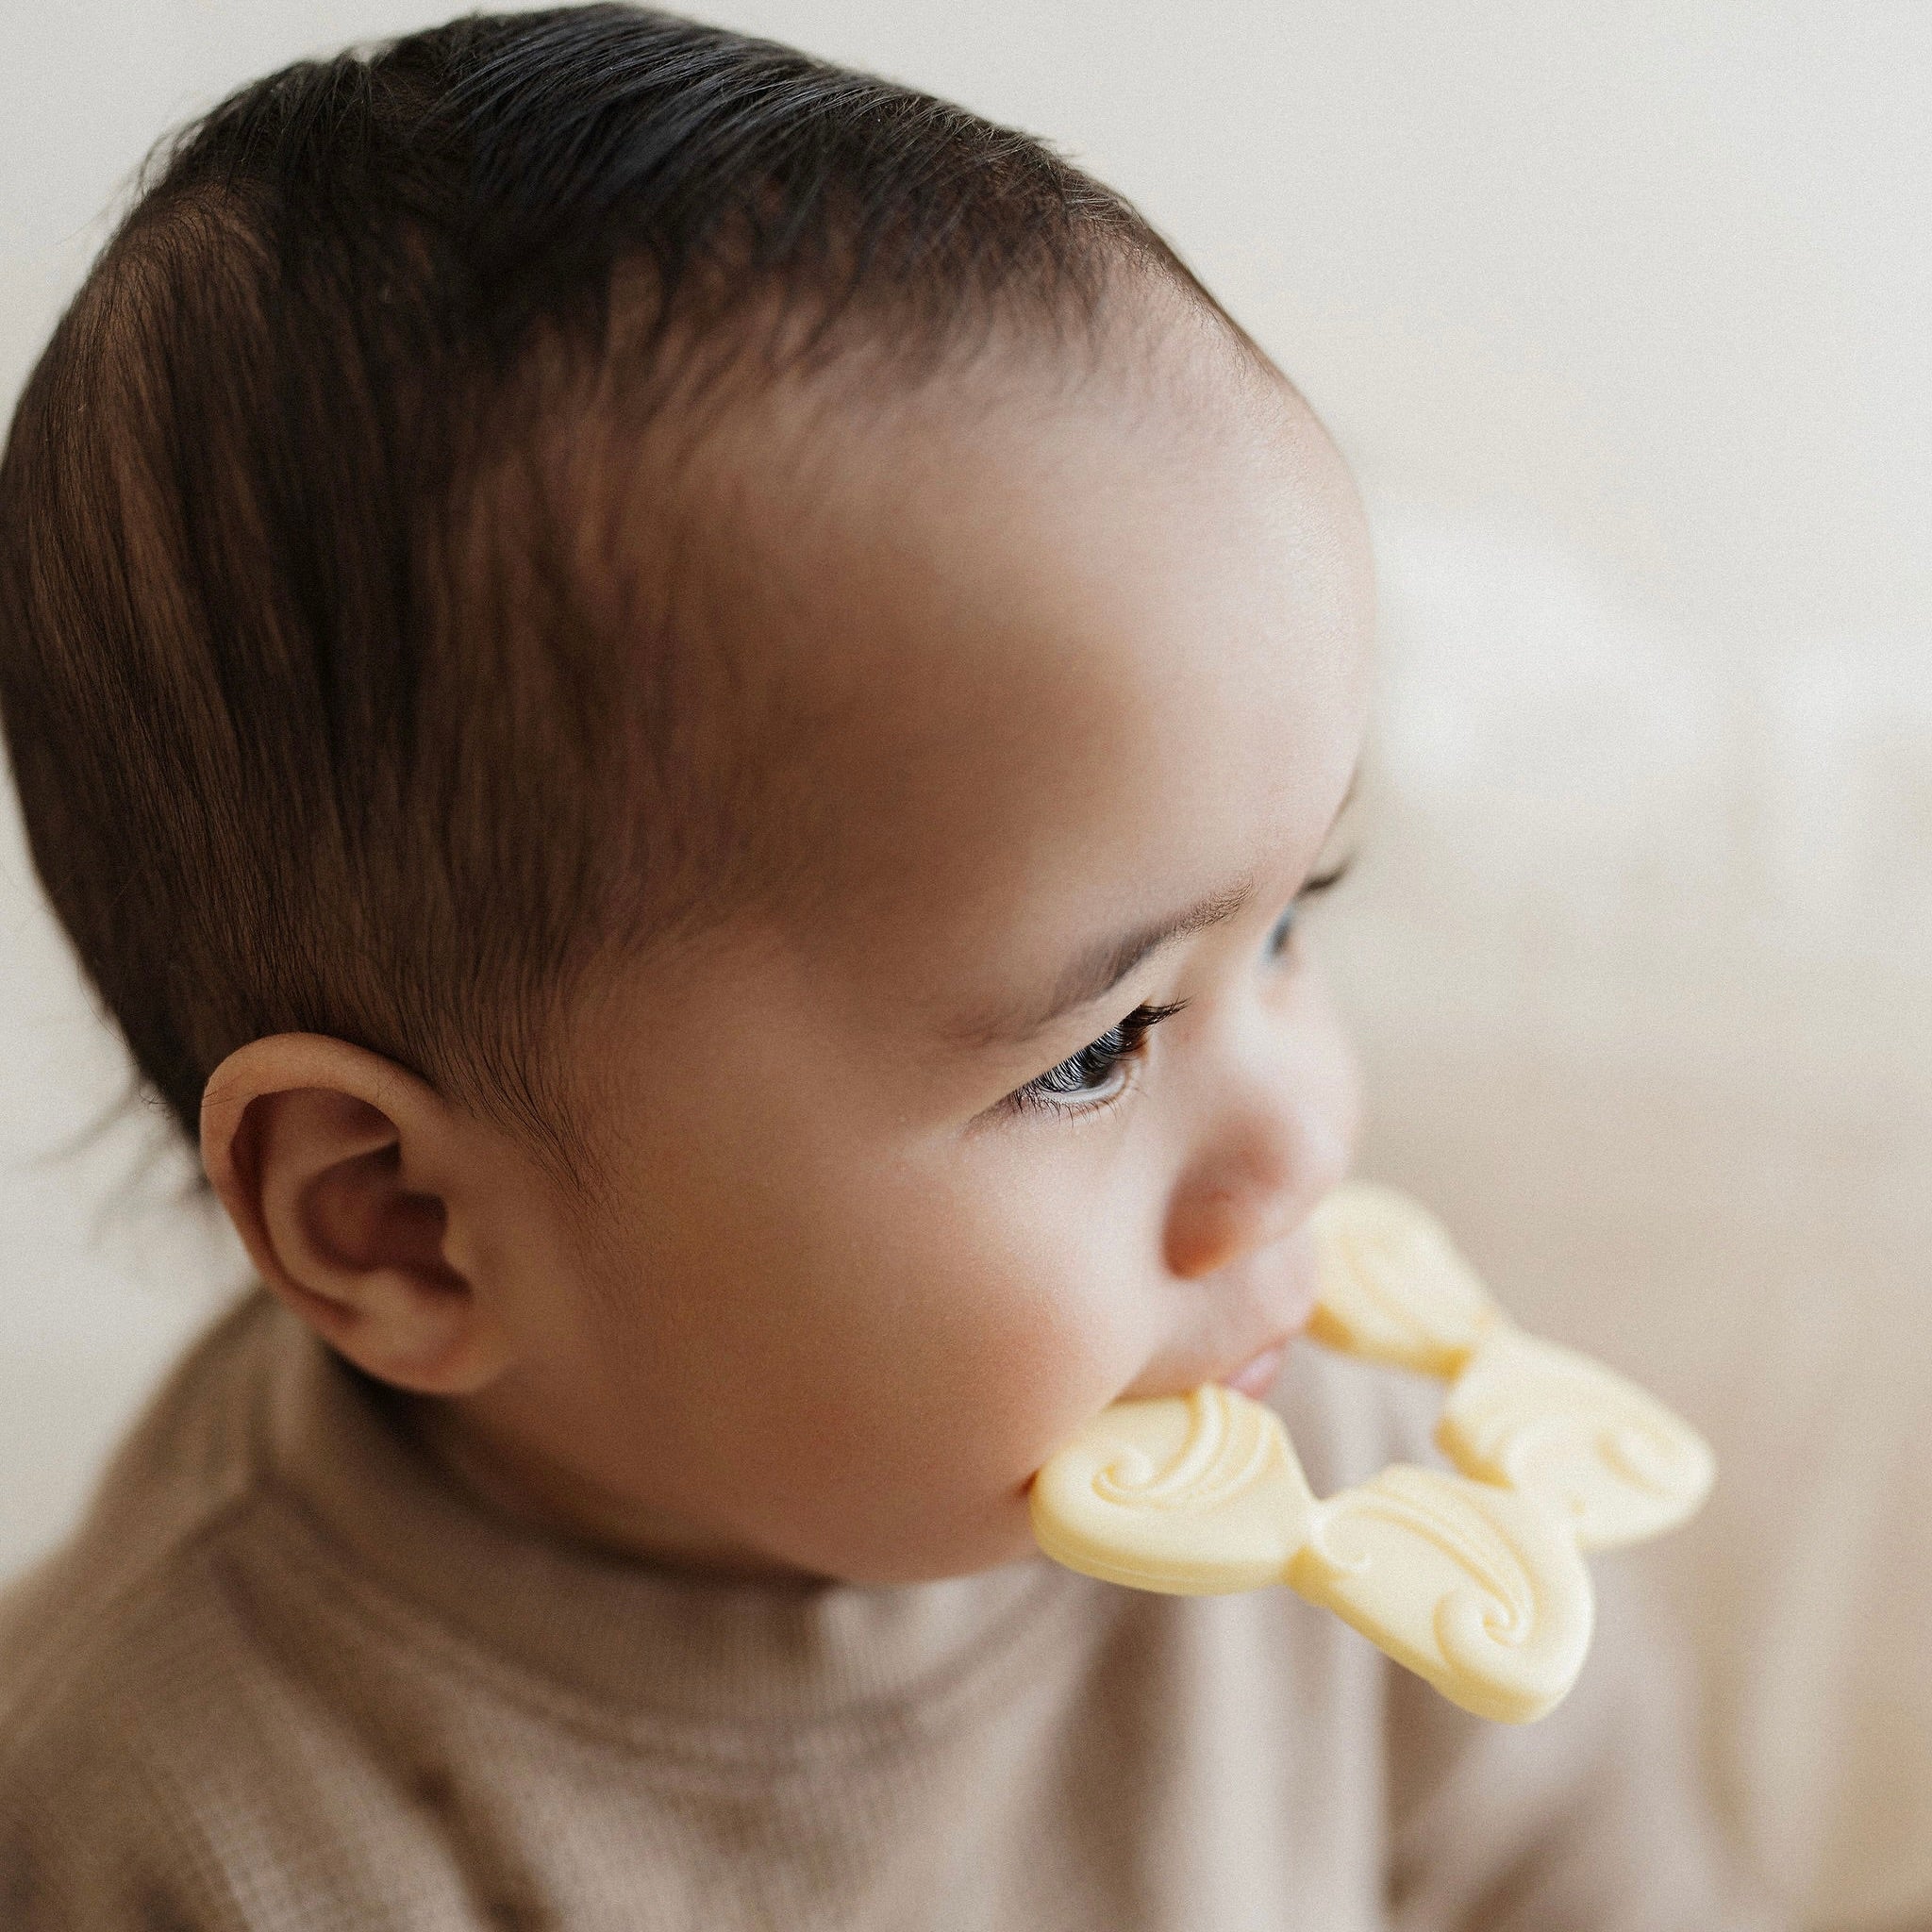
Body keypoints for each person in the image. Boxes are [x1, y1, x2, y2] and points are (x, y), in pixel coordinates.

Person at [0, 8, 1774, 1925]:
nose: (1297, 1144)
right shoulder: (172, 1826)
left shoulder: (1340, 1450)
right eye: (1093, 1054)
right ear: (403, 1222)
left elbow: (1587, 1870)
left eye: (1287, 925)